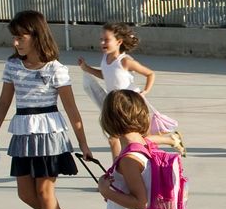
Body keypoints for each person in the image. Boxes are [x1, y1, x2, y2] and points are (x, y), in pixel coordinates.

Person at [0, 11, 93, 209]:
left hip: (49, 134)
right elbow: (3, 101)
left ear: (36, 36)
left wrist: (83, 143)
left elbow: (72, 111)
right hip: (22, 132)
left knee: (44, 192)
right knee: (25, 194)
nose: (16, 43)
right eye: (14, 38)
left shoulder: (56, 69)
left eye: (20, 37)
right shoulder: (12, 65)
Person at [77, 22, 185, 160]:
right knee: (114, 139)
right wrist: (87, 69)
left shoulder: (125, 61)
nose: (102, 42)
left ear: (119, 41)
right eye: (101, 39)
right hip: (116, 106)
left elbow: (150, 74)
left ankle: (172, 140)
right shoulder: (106, 58)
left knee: (140, 139)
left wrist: (145, 91)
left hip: (132, 106)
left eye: (107, 39)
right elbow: (107, 75)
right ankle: (117, 169)